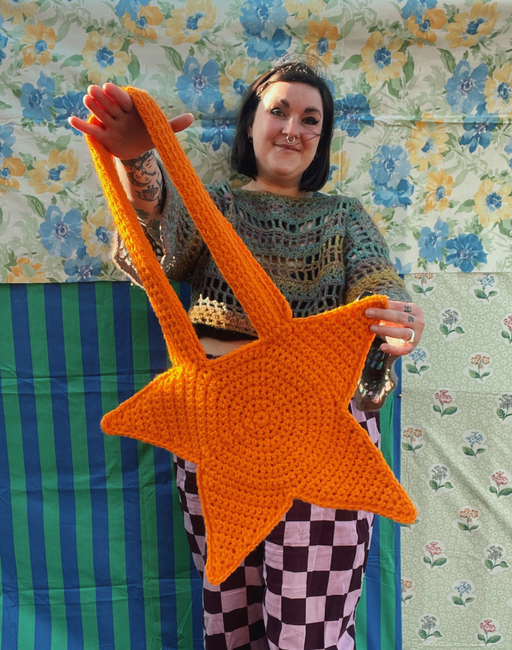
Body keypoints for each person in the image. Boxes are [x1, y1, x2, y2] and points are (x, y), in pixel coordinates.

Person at [71, 61, 424, 650]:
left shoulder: (343, 217)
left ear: (323, 138)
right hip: (218, 424)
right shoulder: (214, 206)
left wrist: (399, 317)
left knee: (312, 615)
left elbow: (376, 284)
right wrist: (137, 160)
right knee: (229, 604)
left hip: (321, 429)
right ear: (251, 124)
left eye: (310, 119)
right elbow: (155, 240)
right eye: (278, 111)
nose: (292, 128)